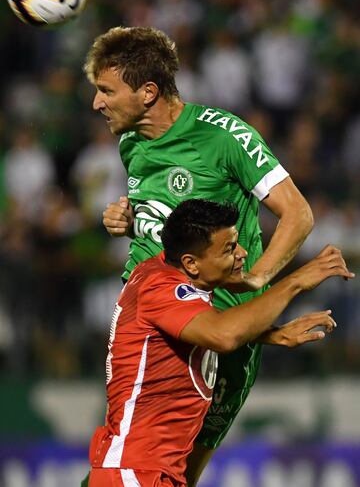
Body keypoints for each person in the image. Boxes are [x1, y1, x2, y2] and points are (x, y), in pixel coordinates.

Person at [84, 26, 315, 486]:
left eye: (106, 91)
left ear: (148, 92)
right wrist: (133, 217)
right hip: (160, 322)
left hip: (227, 330)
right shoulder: (130, 140)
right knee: (130, 456)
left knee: (172, 473)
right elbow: (175, 221)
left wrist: (259, 278)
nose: (97, 104)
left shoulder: (226, 137)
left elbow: (298, 214)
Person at [88, 198, 352, 487]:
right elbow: (224, 335)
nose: (242, 254)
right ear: (191, 263)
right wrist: (296, 282)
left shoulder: (167, 275)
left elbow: (199, 325)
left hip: (148, 472)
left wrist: (271, 334)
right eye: (228, 249)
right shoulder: (161, 289)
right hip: (134, 472)